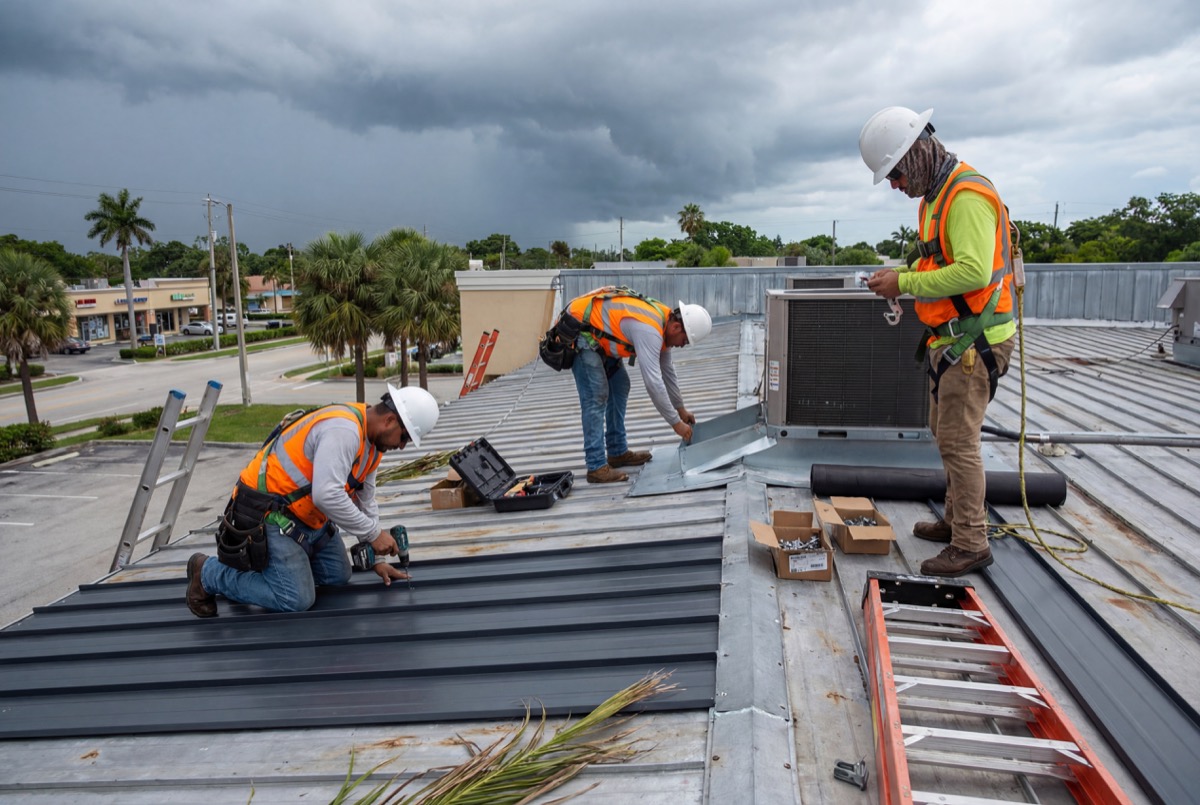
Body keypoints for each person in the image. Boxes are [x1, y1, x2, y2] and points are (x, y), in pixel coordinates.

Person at [859, 107, 1017, 577]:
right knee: (946, 434)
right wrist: (902, 275)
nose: (895, 184)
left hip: (976, 341)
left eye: (897, 172)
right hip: (953, 340)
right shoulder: (935, 196)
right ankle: (956, 520)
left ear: (918, 152)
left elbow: (972, 272)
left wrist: (903, 285)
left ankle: (970, 540)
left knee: (959, 442)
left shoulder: (965, 196)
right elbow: (938, 264)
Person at [185, 385, 440, 617]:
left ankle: (272, 571)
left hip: (308, 519)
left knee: (337, 576)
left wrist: (376, 558)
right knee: (295, 599)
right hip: (270, 515)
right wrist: (373, 534)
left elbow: (366, 500)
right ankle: (208, 572)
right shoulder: (344, 430)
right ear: (390, 420)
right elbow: (327, 494)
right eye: (404, 437)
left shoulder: (373, 445)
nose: (403, 446)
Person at [566, 287, 712, 483]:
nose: (681, 345)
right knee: (596, 394)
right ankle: (596, 467)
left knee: (620, 385)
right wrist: (675, 424)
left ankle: (617, 452)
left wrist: (680, 409)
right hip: (581, 331)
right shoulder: (649, 330)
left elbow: (667, 372)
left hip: (599, 336)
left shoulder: (664, 321)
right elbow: (653, 382)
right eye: (684, 341)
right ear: (677, 328)